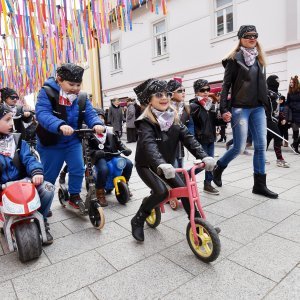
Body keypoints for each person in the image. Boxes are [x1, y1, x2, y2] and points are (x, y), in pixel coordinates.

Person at [130, 78, 216, 242]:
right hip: (147, 165)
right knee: (161, 192)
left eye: (167, 94)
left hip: (166, 164)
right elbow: (149, 145)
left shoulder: (173, 118)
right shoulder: (145, 122)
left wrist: (204, 155)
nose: (164, 98)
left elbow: (189, 139)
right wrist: (160, 163)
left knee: (185, 189)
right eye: (158, 94)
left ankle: (199, 224)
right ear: (149, 99)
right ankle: (138, 219)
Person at [213, 25, 278, 199]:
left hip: (257, 108)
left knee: (260, 146)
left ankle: (259, 185)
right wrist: (223, 109)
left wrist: (268, 102)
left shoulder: (260, 60)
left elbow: (260, 84)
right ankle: (219, 166)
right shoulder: (234, 59)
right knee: (239, 147)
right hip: (240, 108)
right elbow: (226, 86)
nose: (252, 38)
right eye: (248, 35)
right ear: (241, 38)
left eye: (255, 35)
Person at [35, 63, 105, 209]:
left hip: (72, 141)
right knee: (49, 176)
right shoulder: (47, 92)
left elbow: (90, 114)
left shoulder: (82, 97)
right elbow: (42, 114)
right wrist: (59, 125)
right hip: (51, 142)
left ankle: (74, 196)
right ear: (59, 80)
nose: (75, 88)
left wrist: (96, 123)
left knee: (78, 168)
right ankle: (42, 207)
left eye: (78, 84)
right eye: (71, 84)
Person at [0, 104, 54, 243]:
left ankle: (41, 220)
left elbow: (29, 158)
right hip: (3, 188)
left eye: (12, 119)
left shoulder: (18, 141)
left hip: (23, 183)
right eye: (7, 120)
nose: (11, 123)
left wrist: (36, 171)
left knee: (47, 188)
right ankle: (4, 221)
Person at [89, 109, 133, 206]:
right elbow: (87, 149)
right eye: (97, 118)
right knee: (103, 169)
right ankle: (100, 192)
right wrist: (96, 153)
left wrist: (125, 149)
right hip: (100, 158)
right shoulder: (89, 134)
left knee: (129, 164)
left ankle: (125, 185)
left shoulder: (110, 132)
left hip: (113, 155)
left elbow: (119, 143)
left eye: (102, 118)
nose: (100, 120)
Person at [189, 79, 219, 195]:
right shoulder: (193, 106)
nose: (206, 92)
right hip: (200, 140)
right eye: (203, 90)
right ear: (196, 92)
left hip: (211, 138)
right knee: (203, 165)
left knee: (210, 163)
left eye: (208, 89)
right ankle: (184, 177)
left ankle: (208, 184)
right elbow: (191, 125)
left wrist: (223, 119)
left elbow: (214, 121)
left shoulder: (210, 105)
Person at [167, 79, 193, 168]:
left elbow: (190, 126)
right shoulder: (165, 108)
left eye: (184, 90)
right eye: (180, 91)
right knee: (174, 175)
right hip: (168, 148)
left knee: (180, 170)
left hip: (180, 147)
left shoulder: (186, 108)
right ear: (171, 93)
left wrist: (189, 137)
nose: (183, 93)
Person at [266, 75, 290, 167]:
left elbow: (278, 108)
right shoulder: (267, 93)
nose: (278, 82)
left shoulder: (278, 95)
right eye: (277, 80)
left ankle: (261, 157)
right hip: (268, 119)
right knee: (278, 137)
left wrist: (282, 117)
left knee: (267, 139)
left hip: (275, 119)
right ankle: (279, 159)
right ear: (272, 82)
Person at [286, 75, 300, 153]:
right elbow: (287, 104)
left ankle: (295, 144)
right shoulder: (289, 93)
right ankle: (296, 148)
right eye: (290, 82)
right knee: (295, 132)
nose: (290, 84)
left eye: (292, 82)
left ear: (296, 83)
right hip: (293, 115)